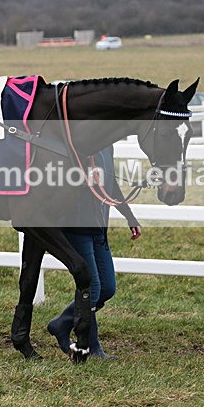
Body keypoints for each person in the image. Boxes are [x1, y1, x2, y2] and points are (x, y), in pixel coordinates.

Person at [47, 146, 142, 359]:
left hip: (99, 227)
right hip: (76, 224)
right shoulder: (74, 145)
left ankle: (62, 323)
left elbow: (111, 186)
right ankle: (92, 345)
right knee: (92, 289)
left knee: (108, 288)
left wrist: (129, 215)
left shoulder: (106, 146)